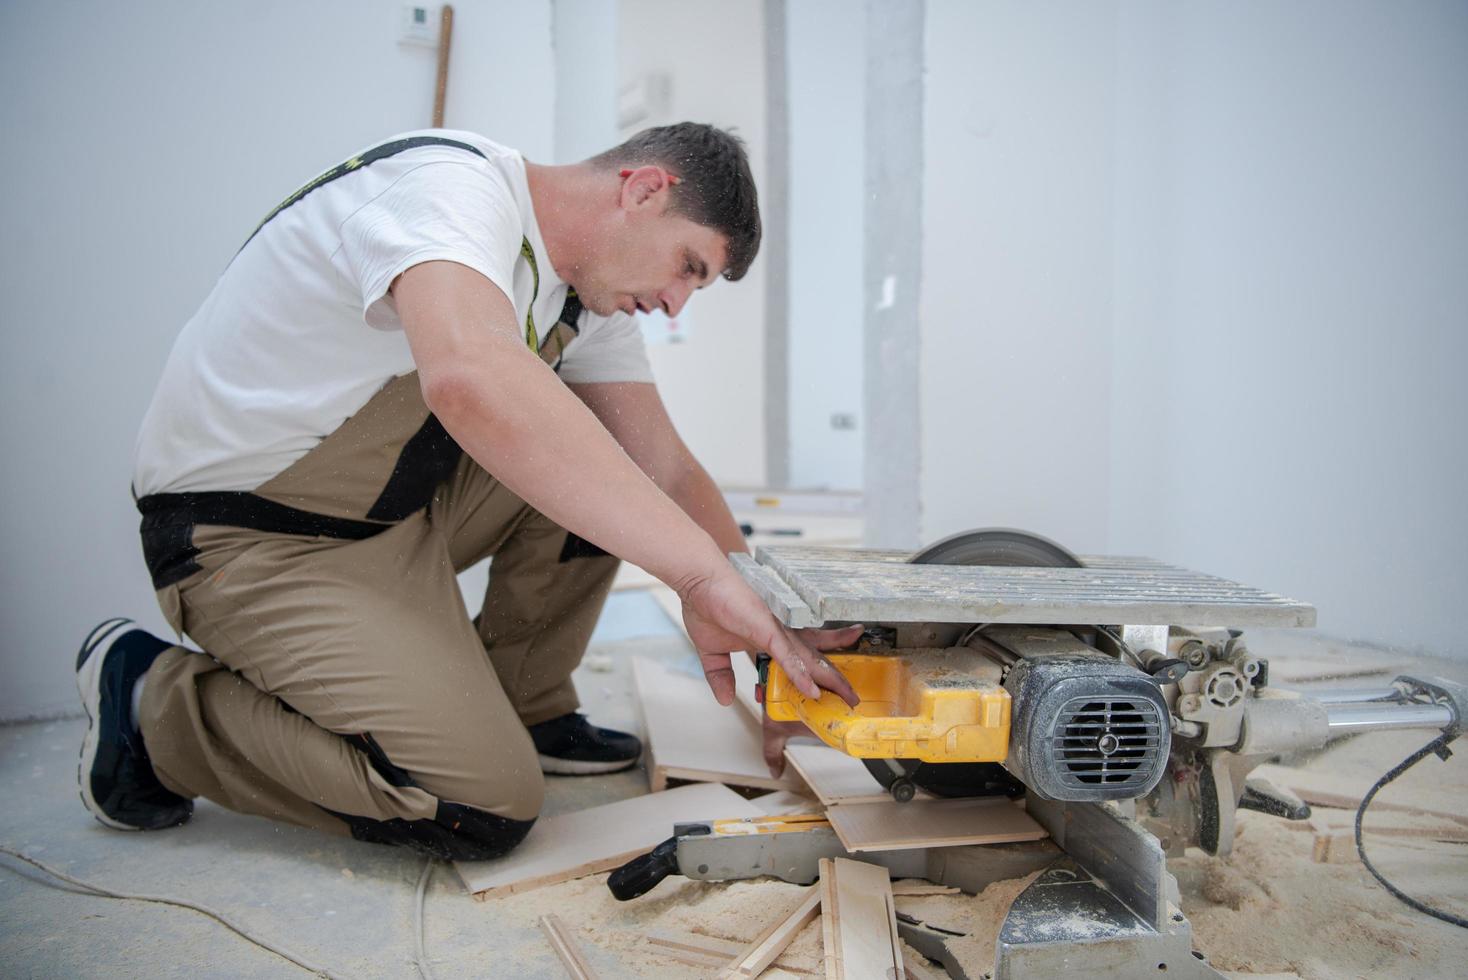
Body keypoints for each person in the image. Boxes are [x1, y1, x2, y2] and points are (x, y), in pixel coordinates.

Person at [75, 123, 859, 859]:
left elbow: (668, 470)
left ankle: (528, 701)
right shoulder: (447, 192)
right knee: (477, 807)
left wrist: (769, 629)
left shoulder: (582, 301)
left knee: (614, 473)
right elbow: (467, 378)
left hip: (386, 517)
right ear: (645, 189)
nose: (676, 303)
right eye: (688, 266)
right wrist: (696, 575)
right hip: (251, 536)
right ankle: (153, 703)